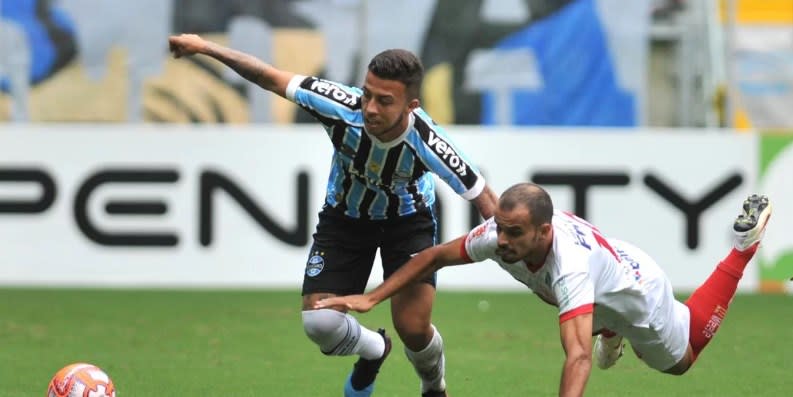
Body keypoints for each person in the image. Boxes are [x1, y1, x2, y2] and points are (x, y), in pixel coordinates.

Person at [168, 34, 499, 397]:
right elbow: (267, 75)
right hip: (346, 218)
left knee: (414, 329)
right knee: (320, 322)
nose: (370, 107)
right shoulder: (338, 104)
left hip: (408, 222)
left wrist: (529, 259)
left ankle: (433, 386)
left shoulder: (429, 142)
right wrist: (205, 47)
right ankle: (374, 349)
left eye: (384, 101)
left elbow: (485, 200)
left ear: (411, 105)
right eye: (367, 93)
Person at [315, 183, 773, 397]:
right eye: (501, 229)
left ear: (543, 232)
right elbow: (433, 256)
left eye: (515, 233)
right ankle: (607, 330)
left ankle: (740, 250)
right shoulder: (500, 234)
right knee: (581, 315)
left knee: (682, 360)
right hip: (607, 277)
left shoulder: (569, 268)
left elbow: (575, 357)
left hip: (640, 297)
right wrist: (373, 296)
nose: (503, 242)